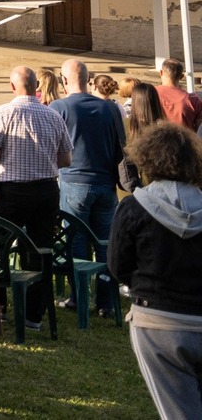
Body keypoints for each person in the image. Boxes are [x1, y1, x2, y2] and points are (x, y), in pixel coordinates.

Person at [109, 121, 202, 417]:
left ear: (147, 159)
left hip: (157, 322)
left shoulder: (135, 207)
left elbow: (117, 265)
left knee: (178, 411)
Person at [0, 64, 71, 329]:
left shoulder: (4, 113)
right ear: (37, 87)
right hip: (45, 190)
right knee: (40, 250)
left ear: (12, 86)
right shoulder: (53, 115)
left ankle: (0, 307)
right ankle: (34, 314)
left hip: (12, 192)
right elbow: (66, 158)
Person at [52, 58, 124, 316]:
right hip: (105, 183)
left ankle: (78, 297)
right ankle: (106, 302)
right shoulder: (111, 108)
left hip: (74, 182)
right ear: (88, 79)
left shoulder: (59, 107)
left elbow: (53, 149)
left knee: (76, 241)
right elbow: (121, 146)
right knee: (105, 244)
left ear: (63, 81)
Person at [156, 59, 201, 131]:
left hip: (155, 140)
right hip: (186, 140)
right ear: (181, 76)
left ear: (161, 73)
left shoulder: (150, 94)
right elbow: (199, 129)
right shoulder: (193, 100)